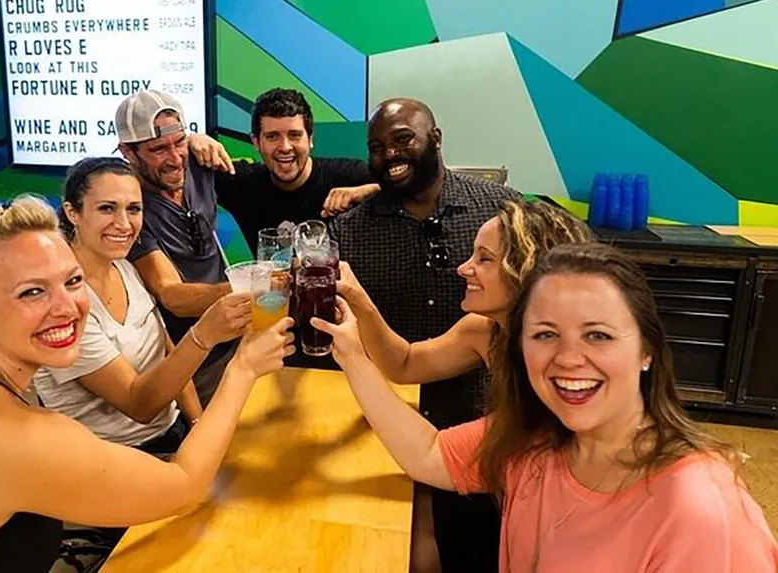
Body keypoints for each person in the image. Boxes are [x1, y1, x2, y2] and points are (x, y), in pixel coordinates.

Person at [0, 196, 294, 573]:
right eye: (32, 292)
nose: (67, 307)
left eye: (72, 281)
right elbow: (183, 485)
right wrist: (243, 369)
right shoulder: (22, 435)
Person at [315, 242, 778, 571]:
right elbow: (429, 455)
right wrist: (352, 354)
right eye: (545, 334)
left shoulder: (699, 511)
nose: (568, 358)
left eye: (597, 335)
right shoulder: (532, 441)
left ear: (646, 351)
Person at [328, 96, 520, 572]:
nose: (465, 269)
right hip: (391, 420)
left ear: (435, 139)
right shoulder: (352, 228)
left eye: (402, 140)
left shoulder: (500, 212)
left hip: (489, 442)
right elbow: (407, 363)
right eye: (378, 148)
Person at [32, 157, 253, 459]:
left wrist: (198, 424)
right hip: (110, 460)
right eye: (107, 208)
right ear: (72, 212)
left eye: (133, 209)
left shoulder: (125, 267)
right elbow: (140, 405)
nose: (124, 224)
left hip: (171, 435)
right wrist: (206, 333)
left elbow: (166, 353)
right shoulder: (61, 305)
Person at [338, 198, 593, 386]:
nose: (462, 268)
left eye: (484, 259)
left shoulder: (570, 361)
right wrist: (357, 297)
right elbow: (404, 365)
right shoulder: (484, 330)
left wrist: (353, 359)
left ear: (527, 269)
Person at [118, 90, 236, 408]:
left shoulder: (198, 162)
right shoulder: (128, 209)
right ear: (128, 152)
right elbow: (172, 296)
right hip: (193, 360)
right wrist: (247, 290)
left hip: (238, 337)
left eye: (179, 142)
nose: (174, 159)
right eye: (158, 149)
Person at [187, 87, 380, 254]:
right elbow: (170, 169)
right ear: (256, 142)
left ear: (310, 138)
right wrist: (191, 140)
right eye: (272, 137)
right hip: (271, 296)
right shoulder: (242, 182)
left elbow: (408, 188)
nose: (285, 146)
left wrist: (367, 191)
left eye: (295, 135)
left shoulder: (350, 176)